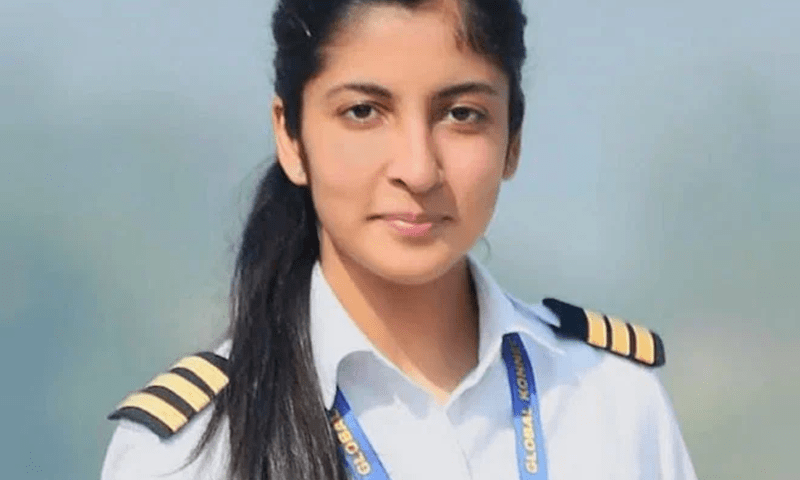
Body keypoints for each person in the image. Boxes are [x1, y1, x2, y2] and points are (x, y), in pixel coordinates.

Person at [101, 0, 698, 478]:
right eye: (364, 112)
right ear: (290, 136)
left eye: (461, 114)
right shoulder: (188, 450)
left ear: (513, 138)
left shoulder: (611, 401)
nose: (417, 169)